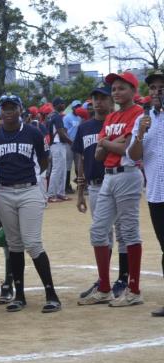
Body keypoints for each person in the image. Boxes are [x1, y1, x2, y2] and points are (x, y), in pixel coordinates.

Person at [0, 94, 61, 314]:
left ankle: (51, 294)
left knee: (33, 243)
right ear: (0, 111)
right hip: (4, 192)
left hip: (28, 190)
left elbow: (44, 160)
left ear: (20, 110)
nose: (8, 112)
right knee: (15, 244)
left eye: (12, 108)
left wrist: (34, 177)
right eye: (4, 108)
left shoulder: (33, 133)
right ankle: (19, 296)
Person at [81, 72, 146, 307]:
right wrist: (112, 143)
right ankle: (105, 288)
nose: (116, 92)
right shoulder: (112, 117)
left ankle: (134, 290)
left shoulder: (138, 113)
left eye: (122, 88)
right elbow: (99, 155)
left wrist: (108, 143)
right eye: (115, 89)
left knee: (129, 232)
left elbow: (127, 149)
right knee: (98, 231)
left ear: (133, 91)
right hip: (108, 175)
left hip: (128, 174)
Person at [74, 87, 128, 302]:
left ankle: (123, 278)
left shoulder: (117, 124)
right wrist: (80, 192)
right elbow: (81, 159)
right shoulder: (85, 127)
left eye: (103, 98)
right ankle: (103, 280)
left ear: (111, 100)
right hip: (95, 185)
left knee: (123, 231)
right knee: (102, 233)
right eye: (95, 98)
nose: (98, 102)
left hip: (117, 179)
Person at [128, 70, 164, 315]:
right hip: (156, 194)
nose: (156, 92)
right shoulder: (143, 120)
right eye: (152, 88)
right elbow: (133, 155)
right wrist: (140, 133)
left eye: (161, 87)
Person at [46, 97, 73, 203]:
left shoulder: (50, 116)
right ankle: (51, 194)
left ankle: (60, 193)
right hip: (57, 144)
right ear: (57, 105)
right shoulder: (56, 116)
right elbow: (61, 132)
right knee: (57, 169)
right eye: (62, 103)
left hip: (56, 144)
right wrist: (72, 143)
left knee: (62, 169)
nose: (64, 105)